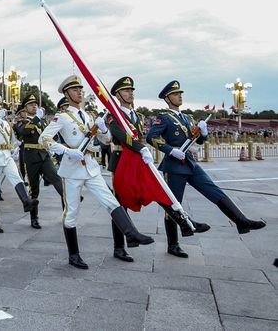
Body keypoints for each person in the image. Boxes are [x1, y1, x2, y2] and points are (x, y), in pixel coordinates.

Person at [39, 75, 154, 269]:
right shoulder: (63, 117)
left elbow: (107, 139)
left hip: (90, 167)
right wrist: (67, 151)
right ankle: (73, 255)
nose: (80, 93)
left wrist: (102, 130)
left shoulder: (90, 116)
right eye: (75, 90)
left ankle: (131, 233)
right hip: (72, 170)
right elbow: (44, 139)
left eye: (81, 90)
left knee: (110, 201)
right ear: (67, 94)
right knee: (72, 212)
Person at [147, 80, 266, 258]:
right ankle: (173, 245)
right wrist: (171, 150)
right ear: (167, 98)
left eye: (181, 93)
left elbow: (199, 141)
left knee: (214, 191)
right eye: (176, 94)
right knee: (173, 206)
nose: (180, 96)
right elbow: (151, 136)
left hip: (190, 163)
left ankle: (241, 221)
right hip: (174, 167)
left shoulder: (187, 117)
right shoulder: (163, 117)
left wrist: (203, 133)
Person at [107, 76, 199, 262]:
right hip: (121, 162)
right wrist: (141, 148)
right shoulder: (112, 115)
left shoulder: (138, 116)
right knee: (120, 204)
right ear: (117, 94)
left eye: (132, 90)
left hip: (138, 161)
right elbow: (122, 137)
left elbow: (140, 137)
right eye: (126, 91)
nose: (130, 93)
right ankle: (119, 248)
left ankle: (183, 222)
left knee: (157, 190)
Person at [0, 93, 38, 233]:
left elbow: (12, 140)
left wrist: (15, 149)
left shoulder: (6, 123)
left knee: (17, 178)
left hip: (6, 156)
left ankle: (26, 202)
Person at [14, 94, 67, 230]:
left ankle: (68, 206)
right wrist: (36, 117)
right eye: (31, 105)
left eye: (35, 104)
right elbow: (24, 132)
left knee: (56, 179)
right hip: (31, 158)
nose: (34, 106)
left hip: (44, 155)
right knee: (34, 189)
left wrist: (52, 149)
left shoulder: (42, 122)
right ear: (25, 108)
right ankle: (34, 218)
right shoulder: (23, 121)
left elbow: (48, 136)